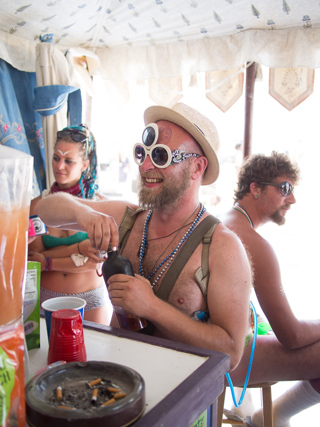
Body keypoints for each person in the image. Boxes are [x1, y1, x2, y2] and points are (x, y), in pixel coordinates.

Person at [34, 103, 252, 371]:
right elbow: (43, 210)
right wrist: (83, 214)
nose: (145, 166)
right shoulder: (129, 217)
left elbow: (231, 353)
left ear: (197, 167)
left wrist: (152, 307)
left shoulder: (223, 247)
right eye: (142, 153)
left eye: (161, 156)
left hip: (179, 396)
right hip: (117, 380)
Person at [221, 152, 320, 427]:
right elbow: (292, 335)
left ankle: (270, 416)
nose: (292, 199)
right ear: (255, 189)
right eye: (285, 188)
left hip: (213, 347)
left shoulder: (223, 220)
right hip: (226, 359)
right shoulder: (253, 243)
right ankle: (272, 417)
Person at [28, 124, 113, 325]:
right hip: (47, 298)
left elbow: (95, 261)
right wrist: (79, 249)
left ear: (84, 165)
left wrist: (48, 262)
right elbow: (33, 259)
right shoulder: (36, 206)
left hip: (91, 299)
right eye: (56, 158)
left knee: (92, 356)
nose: (59, 166)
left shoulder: (101, 206)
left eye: (69, 161)